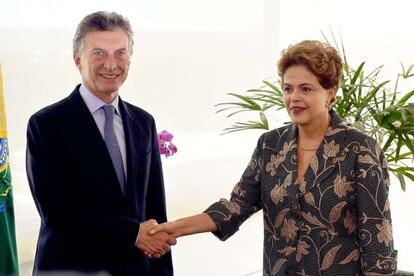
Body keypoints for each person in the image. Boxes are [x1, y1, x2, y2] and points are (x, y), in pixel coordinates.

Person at [150, 40, 398, 275]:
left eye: (306, 89)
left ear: (330, 93)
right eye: (288, 89)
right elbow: (235, 207)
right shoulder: (270, 145)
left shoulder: (360, 149)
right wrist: (175, 228)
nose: (294, 98)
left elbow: (378, 240)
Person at [26, 11, 175, 276]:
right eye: (99, 53)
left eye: (120, 53)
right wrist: (132, 234)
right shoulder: (46, 125)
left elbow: (154, 209)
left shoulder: (144, 122)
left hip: (134, 269)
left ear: (130, 58)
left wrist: (162, 270)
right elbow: (58, 213)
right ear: (78, 59)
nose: (111, 64)